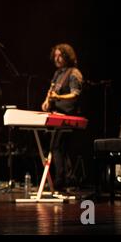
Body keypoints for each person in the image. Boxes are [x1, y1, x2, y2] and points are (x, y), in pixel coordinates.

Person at [41, 43, 83, 191]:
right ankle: (66, 178)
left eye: (60, 56)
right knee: (57, 147)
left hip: (68, 114)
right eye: (56, 56)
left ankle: (62, 179)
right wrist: (47, 101)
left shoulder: (73, 73)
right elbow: (51, 89)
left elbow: (75, 94)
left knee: (57, 146)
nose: (57, 59)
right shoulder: (58, 74)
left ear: (67, 57)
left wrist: (58, 97)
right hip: (57, 114)